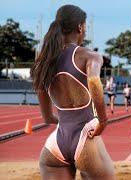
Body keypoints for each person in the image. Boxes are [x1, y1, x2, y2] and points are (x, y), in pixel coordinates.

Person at [30, 5, 114, 179]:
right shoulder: (89, 56)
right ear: (80, 27)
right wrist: (103, 121)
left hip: (56, 145)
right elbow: (93, 81)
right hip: (86, 138)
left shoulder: (43, 62)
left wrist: (67, 123)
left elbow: (47, 118)